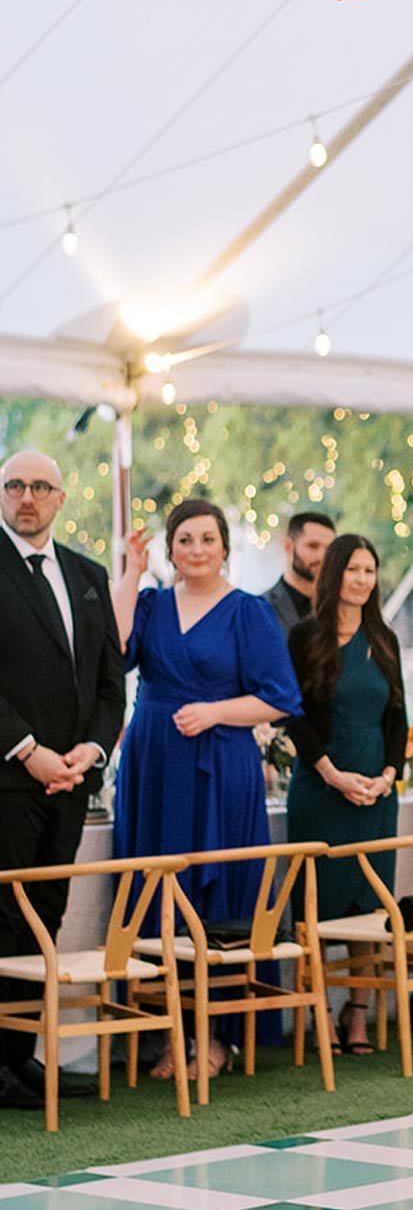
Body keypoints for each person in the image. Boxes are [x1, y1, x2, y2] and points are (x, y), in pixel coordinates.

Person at [112, 498, 301, 1080]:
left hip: (221, 766)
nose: (196, 549)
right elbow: (114, 654)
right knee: (156, 896)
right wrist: (130, 572)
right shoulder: (150, 605)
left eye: (206, 539)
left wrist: (216, 712)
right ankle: (167, 1034)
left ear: (224, 547)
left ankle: (215, 1038)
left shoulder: (249, 613)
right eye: (185, 540)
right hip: (155, 766)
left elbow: (280, 697)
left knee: (213, 901)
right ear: (171, 549)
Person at [0, 449, 127, 1110]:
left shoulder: (87, 573)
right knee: (0, 924)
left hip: (71, 783)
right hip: (8, 781)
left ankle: (18, 1058)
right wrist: (27, 750)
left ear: (60, 496)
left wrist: (91, 750)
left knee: (42, 924)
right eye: (14, 484)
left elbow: (111, 682)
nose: (26, 496)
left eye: (40, 486)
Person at [285, 535, 406, 1056]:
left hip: (376, 794)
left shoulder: (384, 638)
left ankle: (358, 1014)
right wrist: (332, 774)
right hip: (320, 788)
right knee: (317, 904)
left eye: (369, 570)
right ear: (333, 575)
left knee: (368, 906)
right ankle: (319, 1016)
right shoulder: (303, 637)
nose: (362, 579)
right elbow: (293, 714)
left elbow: (397, 715)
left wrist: (388, 775)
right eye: (353, 569)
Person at [261, 511, 336, 636]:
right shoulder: (261, 608)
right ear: (288, 546)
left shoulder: (339, 607)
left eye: (329, 549)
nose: (322, 557)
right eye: (313, 546)